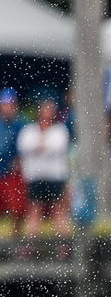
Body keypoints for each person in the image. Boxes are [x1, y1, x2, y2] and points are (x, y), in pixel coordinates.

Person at [17, 99, 71, 243]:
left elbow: (58, 148)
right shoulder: (29, 130)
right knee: (35, 210)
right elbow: (24, 147)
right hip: (35, 176)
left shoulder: (60, 130)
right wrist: (44, 146)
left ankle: (63, 244)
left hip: (55, 176)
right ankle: (31, 244)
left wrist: (39, 146)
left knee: (58, 210)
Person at [0, 88, 27, 238]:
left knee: (17, 209)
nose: (7, 107)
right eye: (4, 104)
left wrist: (19, 160)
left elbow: (25, 147)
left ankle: (16, 241)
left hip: (13, 173)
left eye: (9, 104)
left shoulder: (21, 124)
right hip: (1, 170)